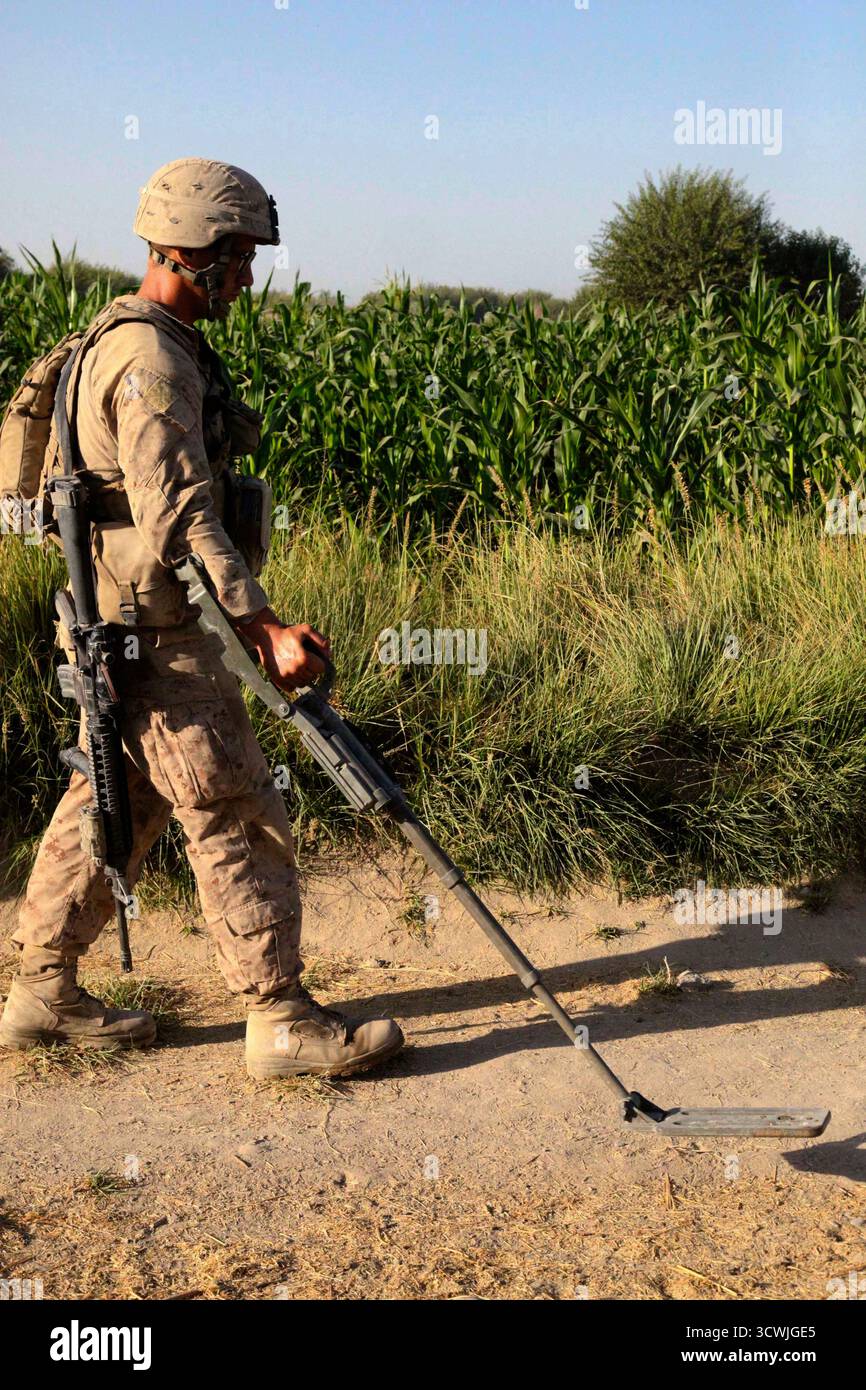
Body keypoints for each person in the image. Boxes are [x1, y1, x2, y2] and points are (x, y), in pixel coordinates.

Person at [0, 158, 404, 1079]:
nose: (250, 276)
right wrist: (260, 626)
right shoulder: (149, 360)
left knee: (120, 798)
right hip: (157, 629)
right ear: (194, 252)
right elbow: (177, 510)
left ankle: (40, 994)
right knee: (235, 805)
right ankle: (279, 1019)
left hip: (118, 622)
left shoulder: (115, 337)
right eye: (239, 255)